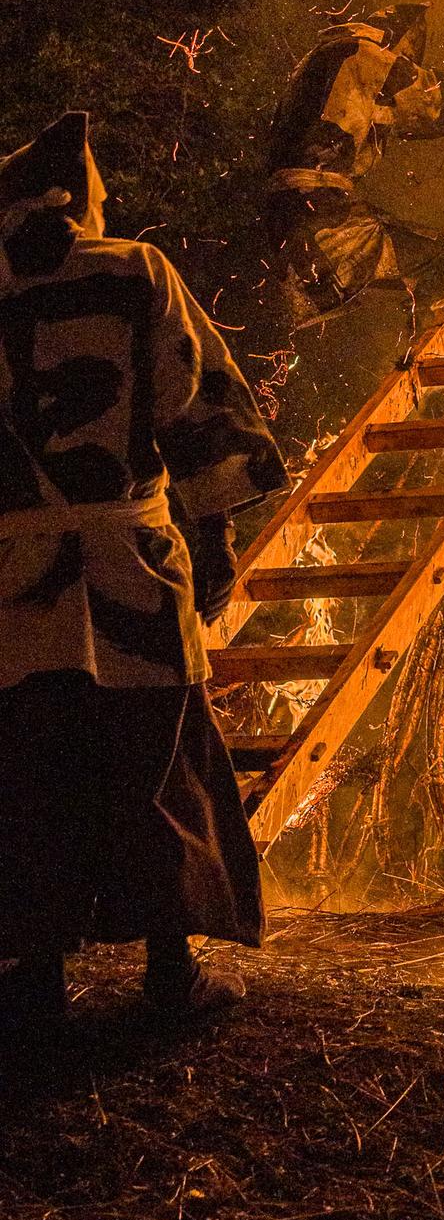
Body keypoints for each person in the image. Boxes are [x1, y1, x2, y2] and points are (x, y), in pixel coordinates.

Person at [0, 110, 288, 1037]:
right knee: (157, 759)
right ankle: (171, 972)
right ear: (76, 200)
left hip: (14, 581)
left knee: (30, 767)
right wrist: (215, 538)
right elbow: (193, 396)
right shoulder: (133, 270)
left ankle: (34, 977)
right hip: (129, 562)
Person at [262, 4, 444, 331]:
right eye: (406, 56)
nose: (407, 63)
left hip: (288, 218)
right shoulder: (361, 53)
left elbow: (402, 120)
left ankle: (420, 321)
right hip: (322, 217)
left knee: (410, 261)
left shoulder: (323, 63)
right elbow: (430, 97)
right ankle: (429, 332)